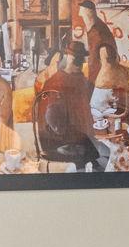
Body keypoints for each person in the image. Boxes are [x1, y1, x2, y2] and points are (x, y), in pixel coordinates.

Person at [34, 40, 101, 169]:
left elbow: (90, 97)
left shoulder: (79, 79)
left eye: (81, 60)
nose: (80, 64)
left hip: (73, 134)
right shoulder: (55, 82)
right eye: (77, 59)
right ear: (68, 58)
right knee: (93, 148)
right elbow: (52, 120)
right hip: (57, 140)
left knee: (95, 146)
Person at [76, 0, 116, 67]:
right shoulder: (94, 26)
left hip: (100, 68)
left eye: (83, 15)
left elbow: (97, 53)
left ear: (88, 13)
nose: (80, 15)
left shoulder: (97, 31)